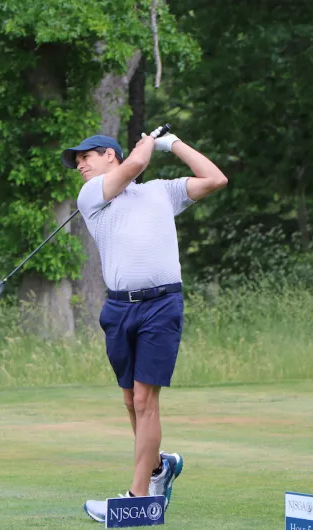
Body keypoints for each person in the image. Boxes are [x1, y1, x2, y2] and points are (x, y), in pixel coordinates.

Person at [60, 126, 228, 523]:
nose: (80, 164)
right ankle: (158, 469)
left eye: (88, 155)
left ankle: (138, 501)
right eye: (77, 160)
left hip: (161, 305)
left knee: (143, 400)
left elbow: (216, 178)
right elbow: (137, 162)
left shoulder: (160, 192)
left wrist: (173, 144)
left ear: (110, 155)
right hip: (118, 309)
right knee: (129, 400)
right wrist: (146, 148)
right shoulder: (91, 196)